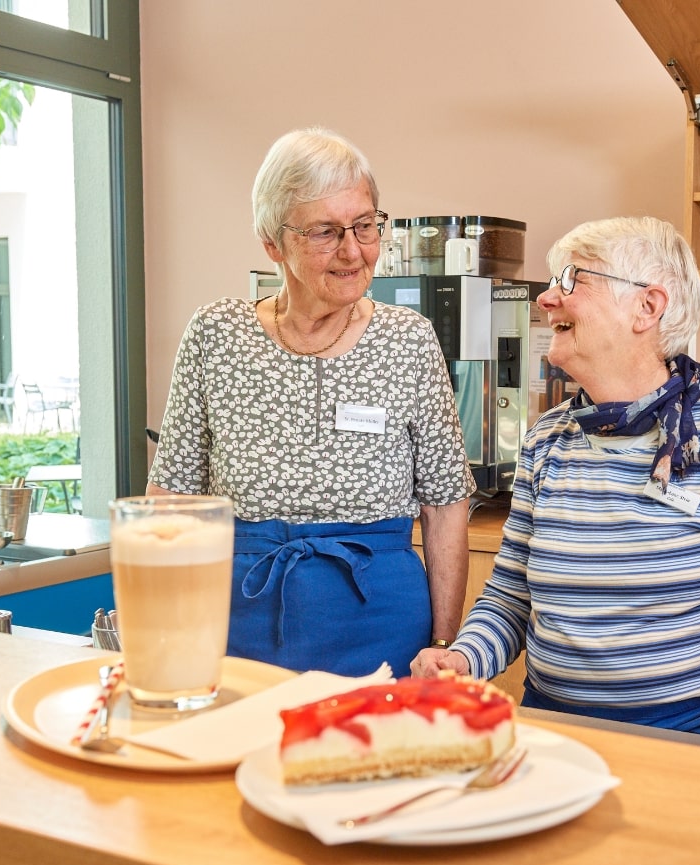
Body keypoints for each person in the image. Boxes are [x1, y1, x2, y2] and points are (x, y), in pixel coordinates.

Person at [412, 216, 700, 756]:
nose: (546, 299)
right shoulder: (548, 439)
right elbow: (509, 600)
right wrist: (464, 658)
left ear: (647, 307)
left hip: (698, 737)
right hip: (553, 732)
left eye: (571, 280)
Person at [147, 127, 475, 677]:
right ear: (273, 242)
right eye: (326, 231)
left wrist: (445, 642)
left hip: (382, 623)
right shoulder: (216, 333)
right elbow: (170, 499)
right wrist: (164, 633)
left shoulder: (410, 340)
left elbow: (444, 507)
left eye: (366, 226)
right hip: (236, 620)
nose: (354, 250)